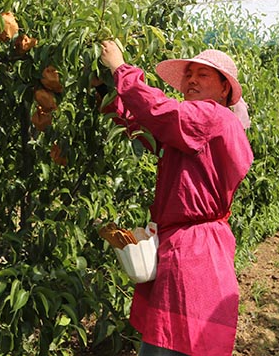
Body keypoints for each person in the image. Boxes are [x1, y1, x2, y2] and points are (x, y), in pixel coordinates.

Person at [98, 40, 253, 356]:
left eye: (204, 75)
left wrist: (120, 69)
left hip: (193, 251)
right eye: (190, 74)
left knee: (176, 340)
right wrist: (107, 91)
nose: (192, 80)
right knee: (171, 339)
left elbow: (160, 111)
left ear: (225, 90)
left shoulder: (211, 118)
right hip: (188, 245)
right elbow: (144, 125)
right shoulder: (196, 127)